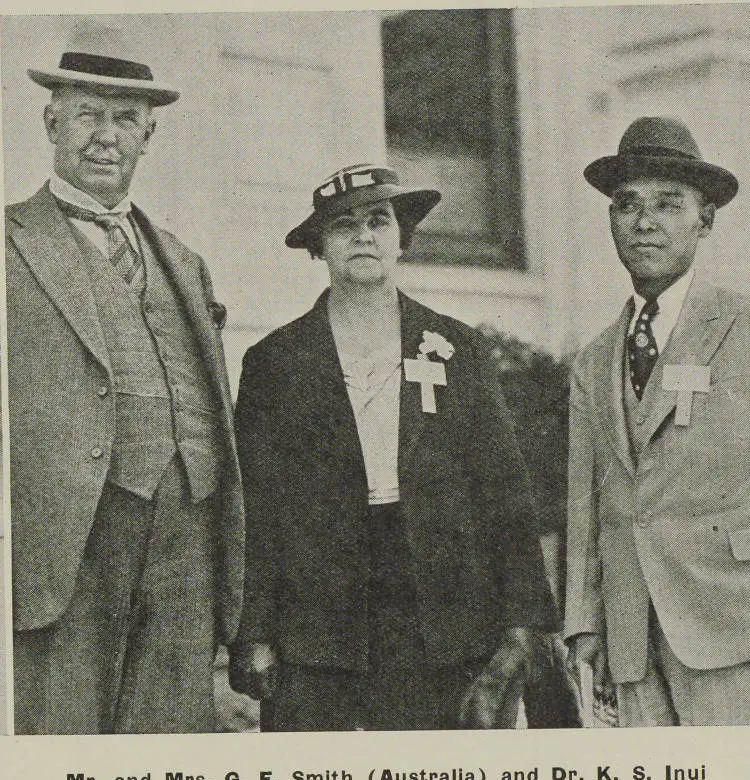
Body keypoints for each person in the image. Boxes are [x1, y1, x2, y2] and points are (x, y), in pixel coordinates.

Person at [230, 164, 558, 731]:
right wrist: (253, 631)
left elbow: (504, 490)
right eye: (342, 225)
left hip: (441, 611)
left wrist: (524, 622)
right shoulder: (276, 362)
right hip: (318, 619)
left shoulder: (457, 348)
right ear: (319, 247)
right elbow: (257, 509)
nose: (363, 236)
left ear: (402, 238)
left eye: (378, 221)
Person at [7, 24, 244, 734]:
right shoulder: (8, 243)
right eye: (88, 113)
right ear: (52, 121)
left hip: (187, 540)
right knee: (62, 745)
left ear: (149, 137)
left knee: (169, 751)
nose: (105, 136)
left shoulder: (183, 259)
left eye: (125, 119)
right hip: (62, 549)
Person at [564, 117, 750, 726]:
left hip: (735, 621)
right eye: (627, 206)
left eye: (668, 204)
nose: (644, 222)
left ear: (705, 220)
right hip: (630, 636)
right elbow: (585, 503)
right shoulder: (594, 359)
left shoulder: (746, 330)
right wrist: (582, 622)